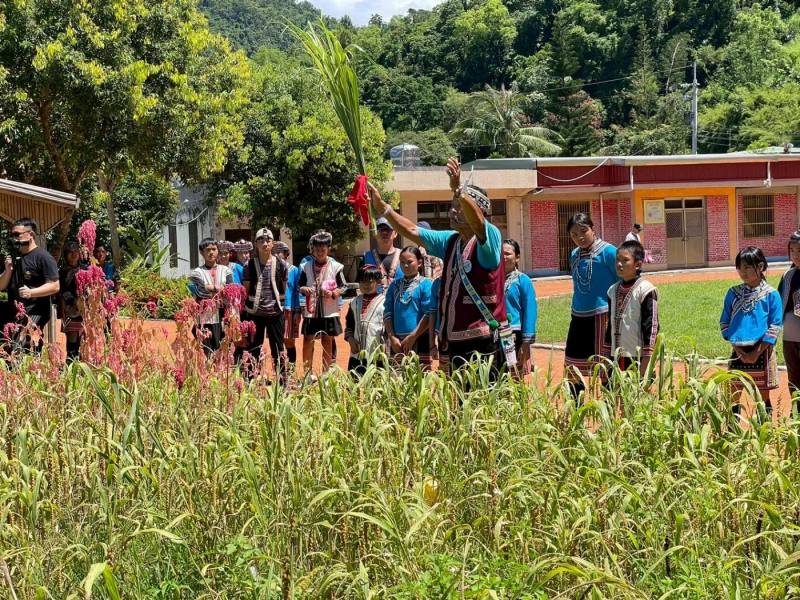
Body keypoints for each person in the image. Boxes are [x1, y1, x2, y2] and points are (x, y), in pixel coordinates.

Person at [367, 158, 509, 379]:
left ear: (477, 210)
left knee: (484, 402)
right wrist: (383, 209)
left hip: (482, 340)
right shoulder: (451, 241)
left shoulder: (490, 237)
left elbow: (479, 224)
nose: (452, 212)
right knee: (460, 403)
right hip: (453, 339)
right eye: (452, 207)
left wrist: (459, 190)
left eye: (458, 208)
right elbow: (412, 230)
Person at [720, 246, 782, 415]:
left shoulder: (772, 295)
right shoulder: (733, 293)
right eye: (740, 267)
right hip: (737, 352)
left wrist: (756, 352)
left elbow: (775, 326)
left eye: (747, 267)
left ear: (760, 267)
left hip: (763, 352)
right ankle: (734, 436)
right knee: (734, 395)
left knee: (763, 398)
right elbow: (725, 323)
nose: (742, 272)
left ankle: (764, 437)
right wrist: (738, 349)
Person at [564, 212, 619, 398]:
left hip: (602, 316)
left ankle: (609, 412)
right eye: (573, 234)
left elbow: (624, 282)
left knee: (604, 366)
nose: (579, 237)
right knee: (572, 366)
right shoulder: (574, 255)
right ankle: (576, 412)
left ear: (592, 229)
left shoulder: (609, 252)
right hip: (578, 317)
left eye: (583, 231)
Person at [0, 217, 60, 351]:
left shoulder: (43, 257)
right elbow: (1, 286)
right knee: (8, 350)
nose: (14, 239)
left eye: (17, 235)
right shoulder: (14, 257)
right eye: (12, 235)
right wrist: (7, 270)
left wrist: (31, 292)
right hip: (12, 311)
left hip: (34, 310)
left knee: (24, 347)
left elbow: (55, 285)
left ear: (31, 235)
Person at [604, 240, 659, 377]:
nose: (619, 264)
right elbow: (609, 326)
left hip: (637, 357)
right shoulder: (612, 290)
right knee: (615, 394)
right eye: (617, 260)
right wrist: (606, 359)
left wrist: (646, 362)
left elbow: (651, 328)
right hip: (615, 355)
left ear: (638, 264)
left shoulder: (646, 290)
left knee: (636, 395)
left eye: (625, 260)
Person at [242, 228, 289, 383]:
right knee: (253, 347)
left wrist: (282, 306)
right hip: (255, 314)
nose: (265, 243)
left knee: (278, 348)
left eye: (268, 240)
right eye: (261, 240)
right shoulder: (249, 265)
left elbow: (284, 286)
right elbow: (246, 288)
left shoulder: (281, 264)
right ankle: (250, 381)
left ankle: (282, 382)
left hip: (276, 313)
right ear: (256, 244)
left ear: (273, 243)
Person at [298, 230, 347, 375]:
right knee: (308, 340)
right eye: (317, 249)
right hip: (311, 311)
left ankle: (326, 375)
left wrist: (333, 293)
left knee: (327, 340)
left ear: (328, 249)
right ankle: (307, 373)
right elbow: (299, 285)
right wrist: (304, 289)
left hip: (329, 310)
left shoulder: (336, 266)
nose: (320, 252)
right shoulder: (305, 266)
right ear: (312, 250)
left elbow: (344, 286)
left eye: (323, 249)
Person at [384, 246, 433, 368]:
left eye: (410, 262)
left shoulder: (426, 284)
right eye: (402, 262)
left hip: (420, 339)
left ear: (420, 263)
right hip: (397, 343)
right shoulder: (394, 285)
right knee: (398, 381)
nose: (405, 266)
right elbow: (387, 313)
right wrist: (392, 337)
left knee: (421, 381)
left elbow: (428, 314)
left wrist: (413, 336)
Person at [188, 238, 233, 354]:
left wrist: (209, 287)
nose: (211, 252)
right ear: (202, 252)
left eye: (214, 249)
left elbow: (229, 291)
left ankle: (219, 371)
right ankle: (208, 371)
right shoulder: (196, 272)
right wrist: (219, 288)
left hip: (223, 314)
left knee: (222, 348)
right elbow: (199, 292)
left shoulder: (226, 270)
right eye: (207, 250)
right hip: (204, 316)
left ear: (218, 251)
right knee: (206, 349)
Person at [502, 239, 537, 376]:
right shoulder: (492, 280)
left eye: (508, 254)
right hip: (494, 334)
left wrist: (526, 342)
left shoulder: (523, 281)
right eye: (500, 254)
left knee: (514, 377)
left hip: (514, 335)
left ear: (517, 257)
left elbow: (530, 311)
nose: (503, 257)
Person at [344, 265, 386, 376]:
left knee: (376, 386)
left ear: (378, 282)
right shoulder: (354, 302)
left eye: (369, 282)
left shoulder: (384, 303)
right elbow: (349, 324)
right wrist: (350, 339)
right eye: (362, 281)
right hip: (356, 353)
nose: (365, 285)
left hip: (377, 354)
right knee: (354, 385)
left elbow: (388, 328)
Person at [778, 231, 800, 406]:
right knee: (794, 377)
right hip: (792, 337)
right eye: (792, 250)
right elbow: (781, 306)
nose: (796, 255)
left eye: (799, 250)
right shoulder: (788, 276)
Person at [58, 241, 88, 359]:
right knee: (72, 338)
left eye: (75, 252)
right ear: (65, 255)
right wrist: (73, 302)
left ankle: (83, 365)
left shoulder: (86, 270)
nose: (73, 255)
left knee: (84, 339)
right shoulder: (62, 272)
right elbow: (61, 290)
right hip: (70, 308)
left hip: (85, 309)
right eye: (70, 253)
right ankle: (71, 364)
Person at [363, 217, 402, 289]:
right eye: (381, 230)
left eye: (388, 229)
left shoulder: (404, 256)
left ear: (395, 233)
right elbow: (361, 284)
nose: (384, 232)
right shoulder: (366, 257)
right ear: (375, 233)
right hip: (376, 299)